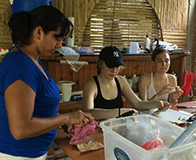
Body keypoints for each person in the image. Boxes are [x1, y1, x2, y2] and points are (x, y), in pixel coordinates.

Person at [0, 5, 93, 159]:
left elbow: (40, 113)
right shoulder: (20, 66)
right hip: (17, 155)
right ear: (38, 32)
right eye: (57, 38)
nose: (59, 46)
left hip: (33, 153)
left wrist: (66, 128)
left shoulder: (33, 60)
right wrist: (66, 118)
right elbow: (20, 129)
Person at [82, 46, 171, 120]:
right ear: (100, 64)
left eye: (117, 66)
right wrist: (120, 112)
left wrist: (157, 104)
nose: (114, 70)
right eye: (110, 66)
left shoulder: (120, 81)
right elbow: (88, 112)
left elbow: (138, 104)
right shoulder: (91, 84)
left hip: (117, 127)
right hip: (98, 129)